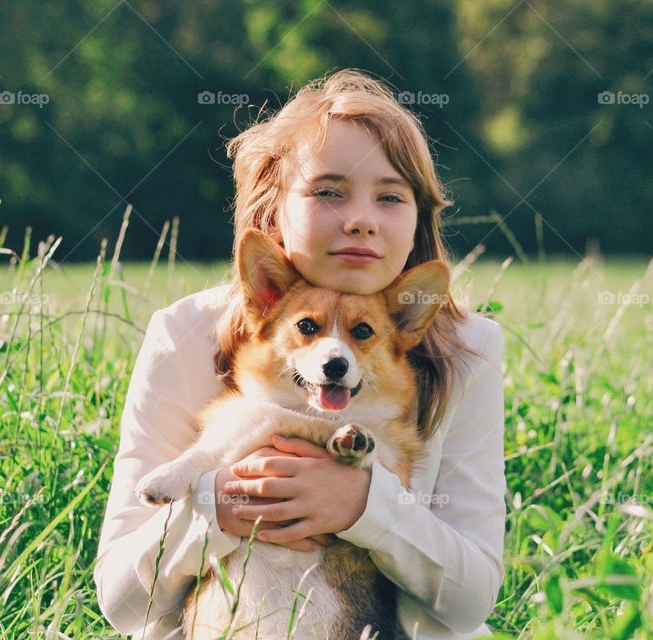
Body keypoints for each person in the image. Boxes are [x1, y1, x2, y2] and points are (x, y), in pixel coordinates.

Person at [94, 68, 507, 639]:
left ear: (418, 218)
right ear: (272, 208)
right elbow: (121, 601)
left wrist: (365, 507)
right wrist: (220, 508)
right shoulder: (184, 334)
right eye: (329, 191)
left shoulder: (469, 351)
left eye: (390, 196)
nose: (361, 219)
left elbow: (470, 603)